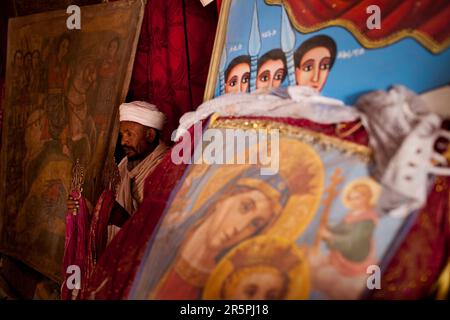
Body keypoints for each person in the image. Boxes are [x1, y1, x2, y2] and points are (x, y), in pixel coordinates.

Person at [67, 101, 169, 232]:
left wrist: (120, 217)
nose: (123, 141)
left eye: (129, 134)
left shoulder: (167, 169)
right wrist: (85, 210)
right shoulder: (123, 166)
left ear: (150, 135)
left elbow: (161, 230)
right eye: (122, 135)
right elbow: (108, 220)